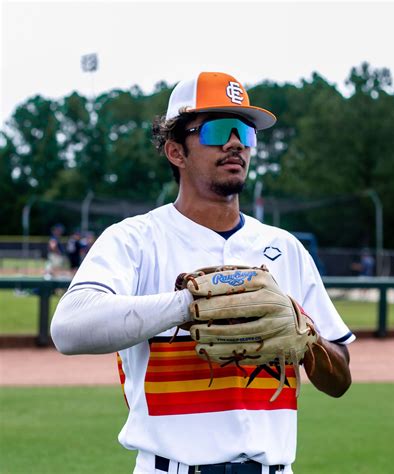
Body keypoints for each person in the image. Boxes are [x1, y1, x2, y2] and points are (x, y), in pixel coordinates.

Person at [51, 72, 355, 474]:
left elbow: (339, 381)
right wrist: (189, 305)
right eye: (217, 129)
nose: (235, 143)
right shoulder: (135, 239)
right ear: (175, 151)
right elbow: (69, 328)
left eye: (245, 133)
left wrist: (306, 335)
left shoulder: (286, 248)